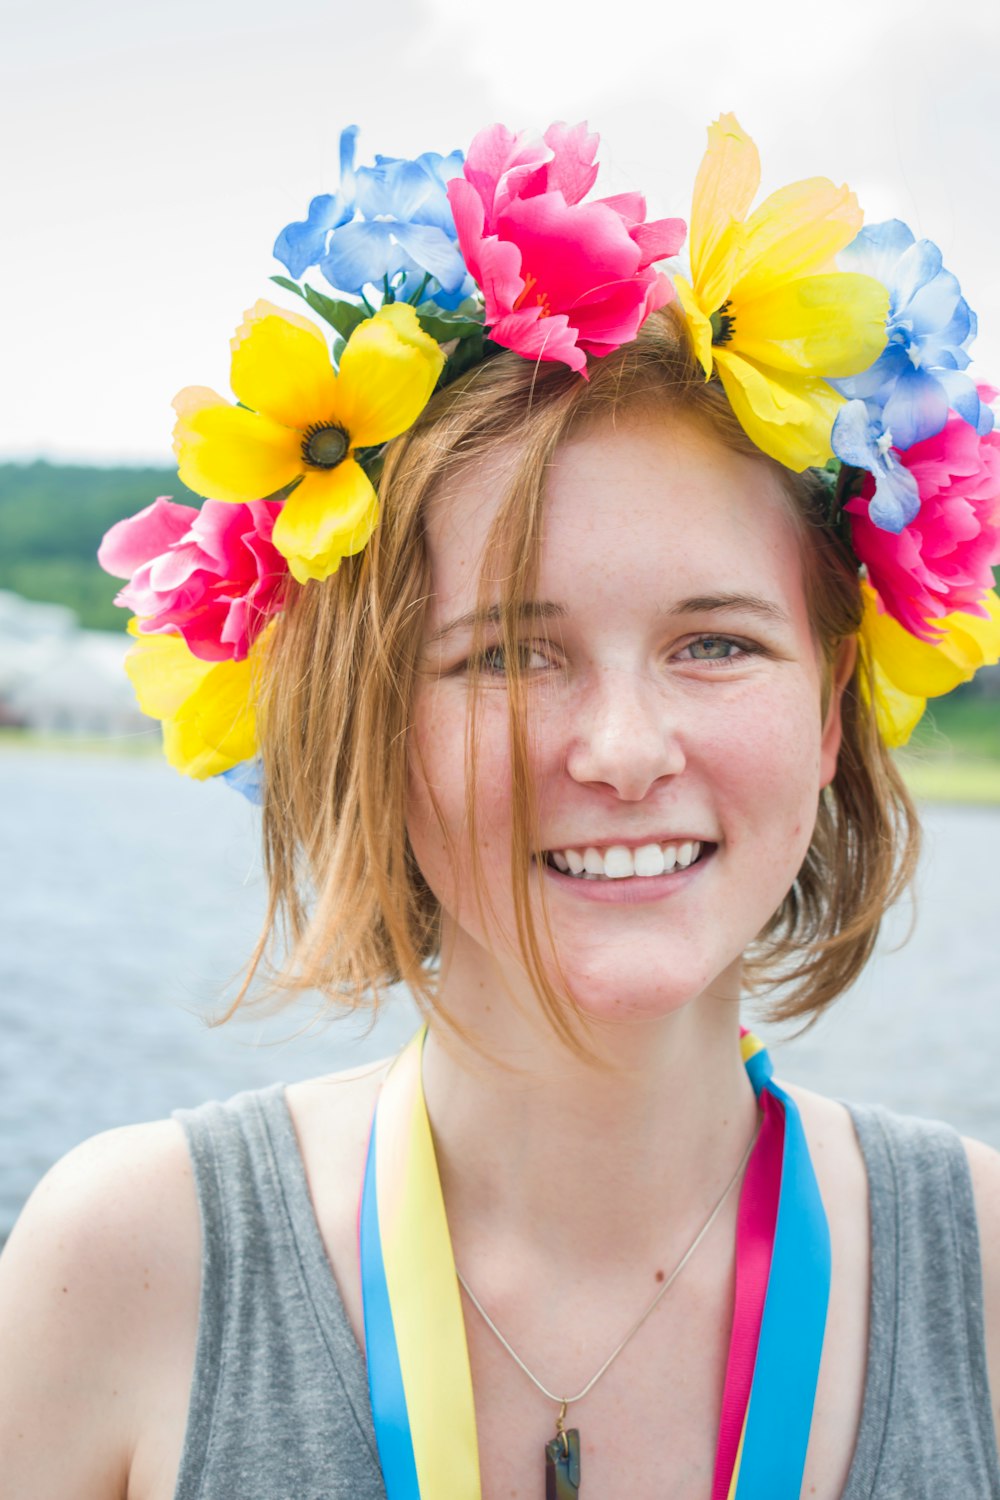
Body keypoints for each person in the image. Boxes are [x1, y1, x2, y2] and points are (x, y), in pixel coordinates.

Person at [1, 115, 999, 1500]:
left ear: (829, 712)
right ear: (367, 718)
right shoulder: (124, 1271)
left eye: (716, 644)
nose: (624, 749)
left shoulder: (986, 1284)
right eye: (509, 655)